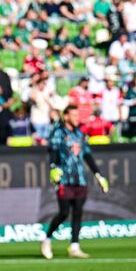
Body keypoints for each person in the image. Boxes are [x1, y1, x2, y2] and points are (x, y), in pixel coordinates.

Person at [41, 105, 109, 260]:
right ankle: (47, 239)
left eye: (78, 115)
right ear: (66, 116)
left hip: (80, 179)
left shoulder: (80, 134)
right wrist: (53, 168)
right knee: (64, 212)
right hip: (64, 178)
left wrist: (98, 175)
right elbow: (52, 151)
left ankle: (74, 245)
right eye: (73, 115)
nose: (77, 118)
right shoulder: (58, 133)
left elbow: (87, 156)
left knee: (78, 211)